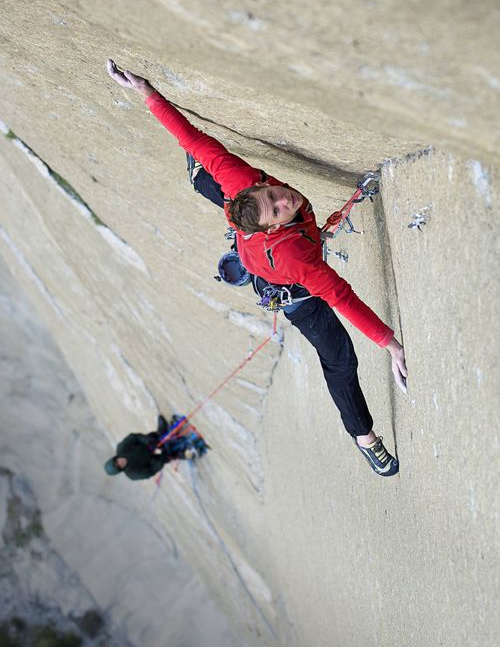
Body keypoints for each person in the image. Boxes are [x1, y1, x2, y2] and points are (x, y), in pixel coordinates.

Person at [107, 60, 407, 477]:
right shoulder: (296, 258)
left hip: (257, 245)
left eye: (275, 194)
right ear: (271, 226)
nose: (287, 199)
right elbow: (339, 296)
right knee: (340, 360)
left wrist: (146, 92)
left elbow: (196, 141)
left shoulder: (242, 184)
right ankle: (364, 438)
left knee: (208, 170)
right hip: (294, 295)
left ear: (256, 186)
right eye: (279, 209)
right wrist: (390, 343)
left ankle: (206, 190)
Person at [104, 414, 208, 481]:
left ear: (115, 458)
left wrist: (149, 441)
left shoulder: (121, 448)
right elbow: (151, 471)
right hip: (158, 457)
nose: (119, 463)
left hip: (151, 442)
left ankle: (161, 432)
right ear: (121, 469)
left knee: (157, 437)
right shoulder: (133, 474)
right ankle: (188, 453)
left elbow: (134, 437)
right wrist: (159, 458)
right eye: (119, 466)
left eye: (116, 461)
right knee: (170, 454)